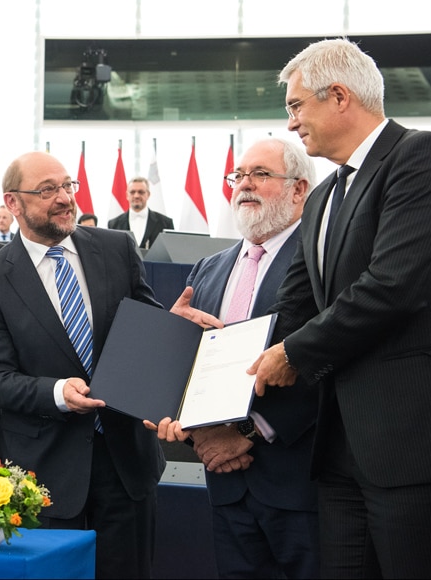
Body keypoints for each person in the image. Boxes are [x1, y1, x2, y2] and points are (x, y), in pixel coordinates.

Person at [0, 151, 219, 579]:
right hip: (45, 476)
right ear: (13, 203)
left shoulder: (116, 248)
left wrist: (168, 327)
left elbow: (143, 332)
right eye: (48, 190)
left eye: (68, 186)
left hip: (126, 466)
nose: (64, 198)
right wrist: (56, 393)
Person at [248, 38, 431, 578]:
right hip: (336, 449)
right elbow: (294, 307)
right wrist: (218, 354)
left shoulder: (421, 156)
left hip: (408, 446)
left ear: (338, 96)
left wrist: (292, 352)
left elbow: (393, 286)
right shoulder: (320, 197)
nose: (290, 124)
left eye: (295, 107)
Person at [149, 139, 320, 578]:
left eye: (260, 174)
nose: (244, 184)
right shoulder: (209, 269)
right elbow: (188, 368)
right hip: (224, 484)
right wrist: (192, 431)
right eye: (238, 175)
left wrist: (250, 431)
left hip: (299, 484)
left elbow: (329, 359)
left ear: (299, 189)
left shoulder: (321, 261)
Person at [107, 177, 173, 249]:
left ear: (148, 194)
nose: (136, 196)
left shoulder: (165, 223)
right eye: (132, 192)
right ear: (127, 195)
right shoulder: (113, 224)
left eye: (141, 192)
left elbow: (171, 251)